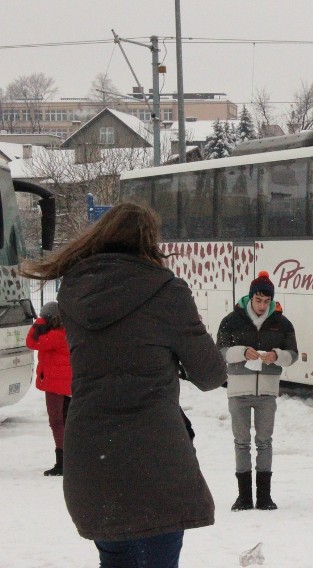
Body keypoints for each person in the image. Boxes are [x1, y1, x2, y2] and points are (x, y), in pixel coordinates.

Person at [20, 202, 227, 567]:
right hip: (154, 454)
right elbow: (210, 374)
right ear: (149, 241)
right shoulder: (167, 291)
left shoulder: (73, 290)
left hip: (92, 454)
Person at [217, 270, 298, 512]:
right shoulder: (231, 320)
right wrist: (241, 352)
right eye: (258, 300)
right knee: (241, 442)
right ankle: (243, 497)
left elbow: (292, 355)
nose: (262, 305)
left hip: (267, 391)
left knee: (264, 442)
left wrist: (276, 356)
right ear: (250, 298)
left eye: (266, 301)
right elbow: (220, 350)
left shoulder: (282, 323)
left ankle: (264, 496)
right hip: (238, 391)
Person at [25, 301, 72, 477]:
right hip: (68, 384)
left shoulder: (54, 335)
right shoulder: (67, 331)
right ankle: (71, 459)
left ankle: (62, 462)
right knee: (68, 422)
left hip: (55, 385)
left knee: (56, 422)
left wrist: (38, 323)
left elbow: (31, 342)